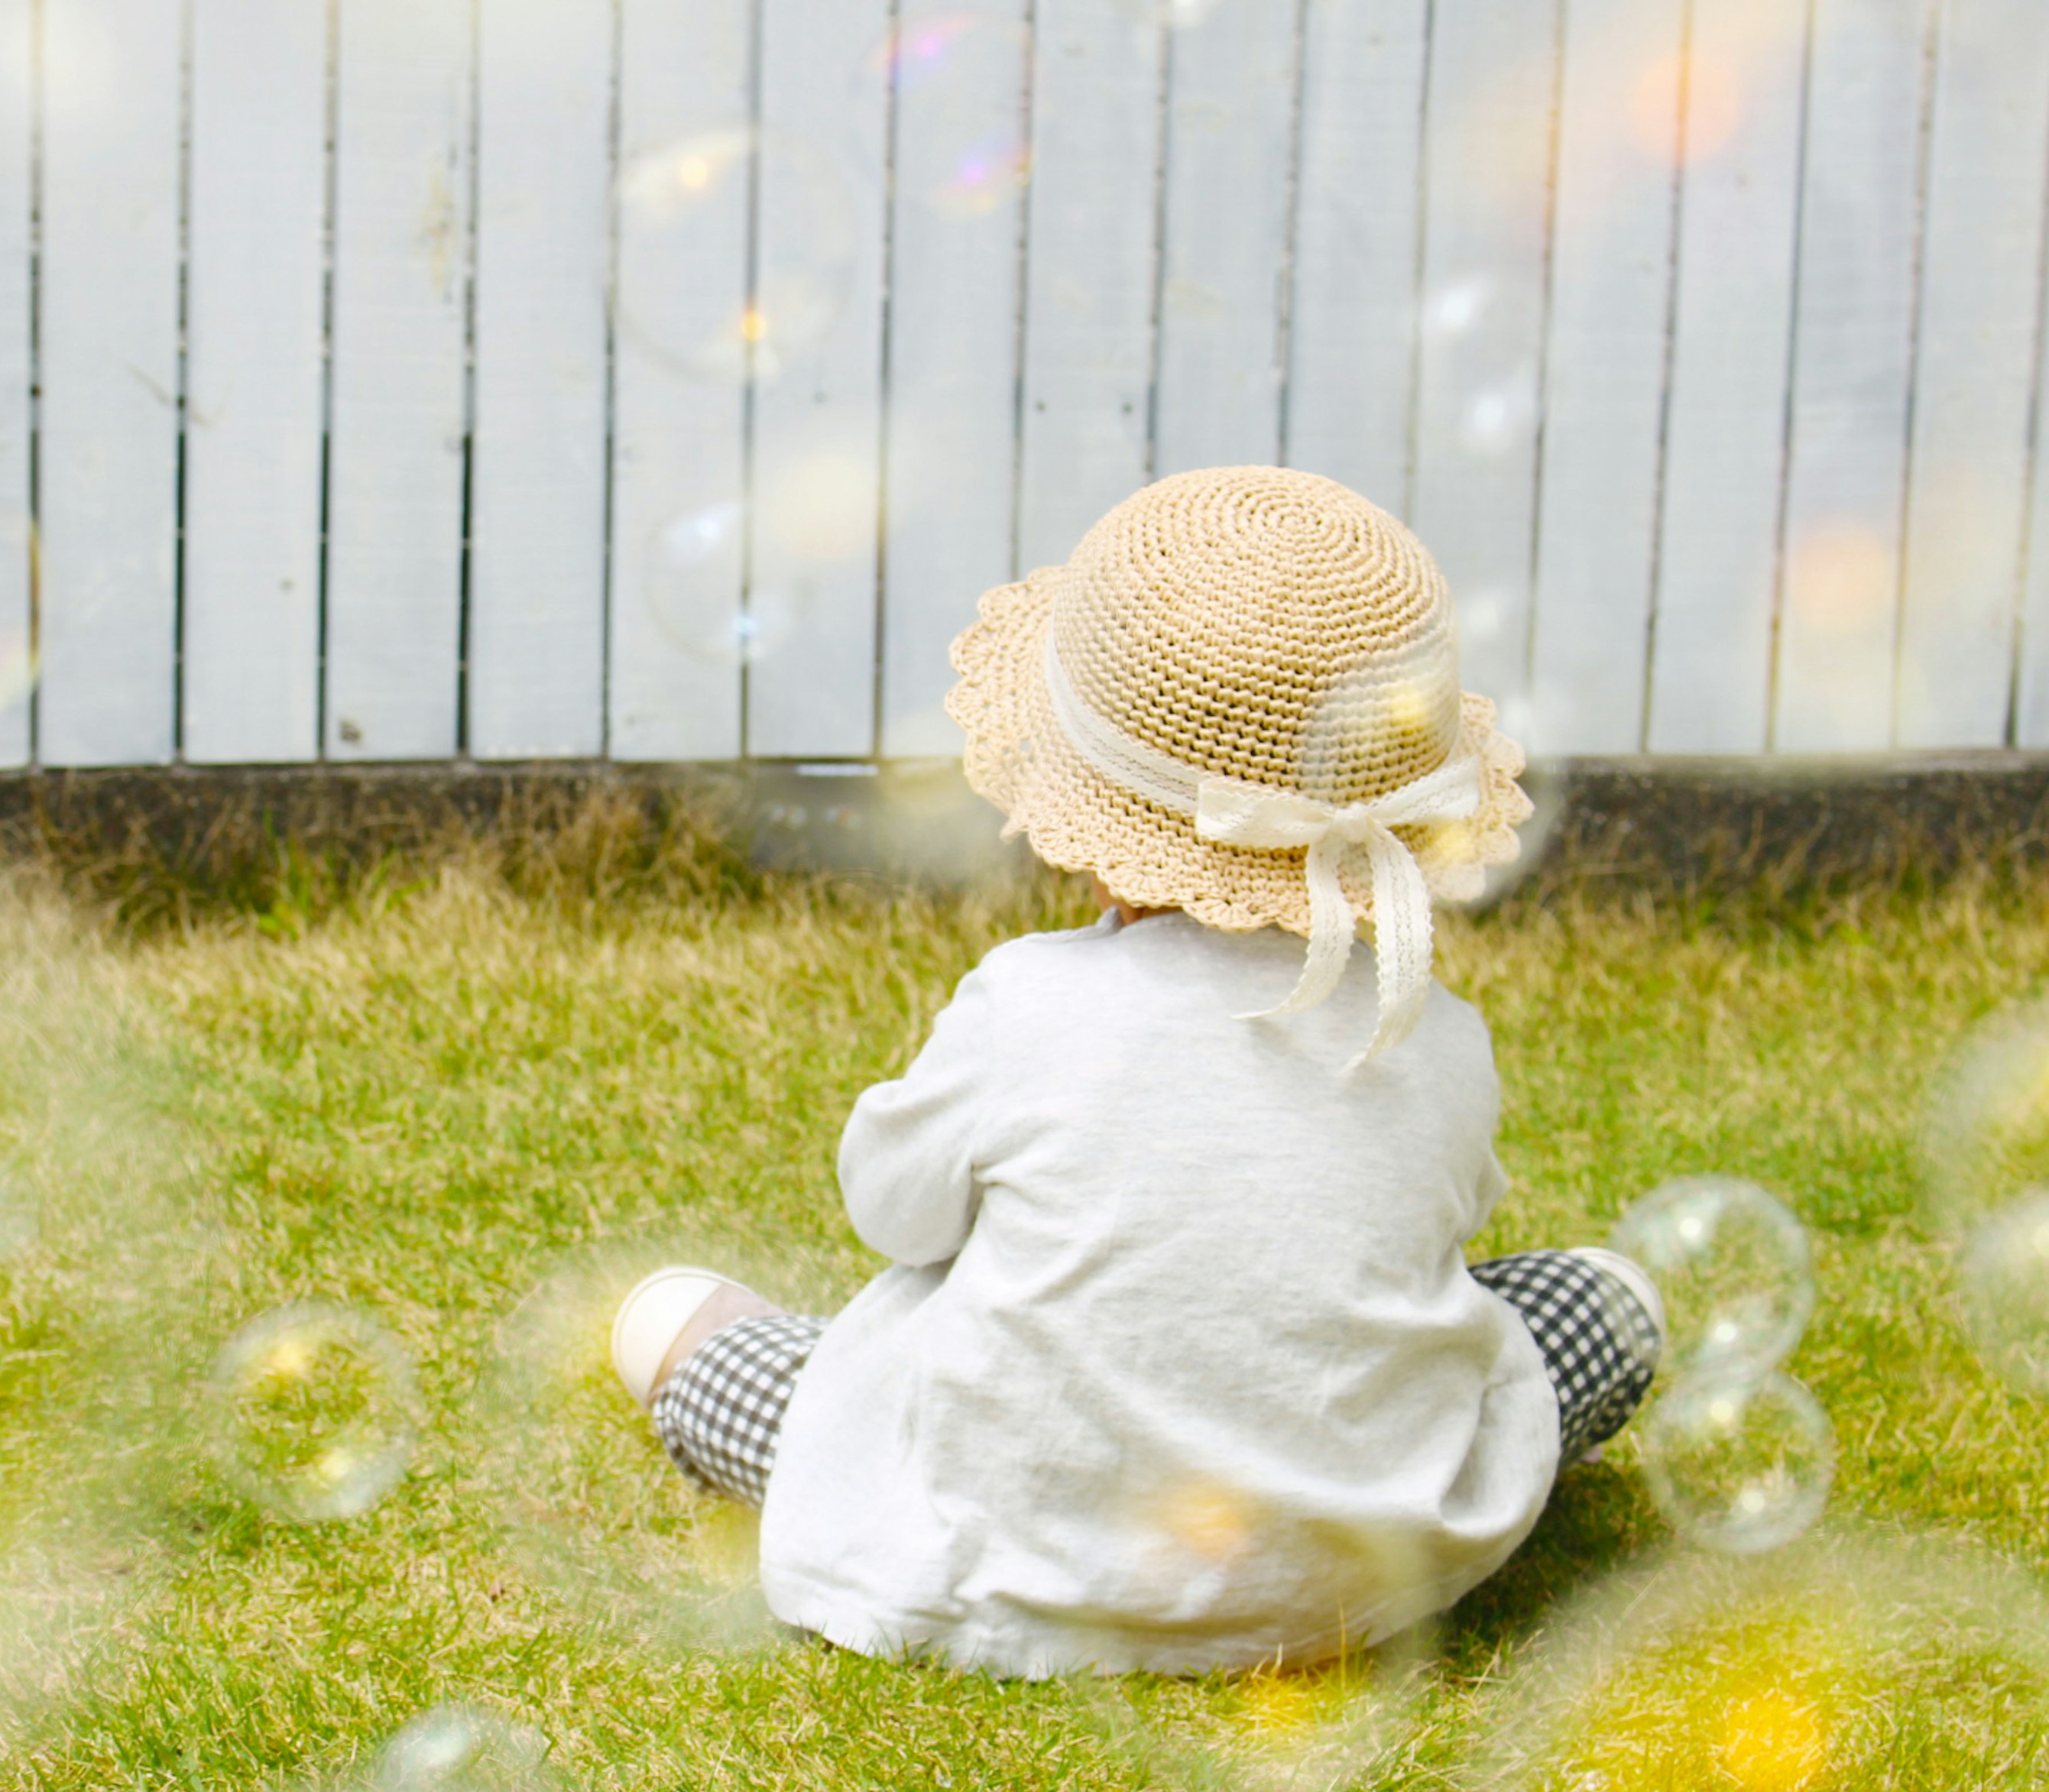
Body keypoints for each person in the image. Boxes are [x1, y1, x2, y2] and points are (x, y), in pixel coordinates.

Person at [607, 465, 1662, 1678]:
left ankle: (708, 1351)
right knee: (1608, 1302)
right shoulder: (1432, 1025)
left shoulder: (1032, 1006)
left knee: (690, 1324)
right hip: (1358, 1562)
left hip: (1009, 1549)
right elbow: (1448, 1232)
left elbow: (893, 1214)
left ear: (1088, 814)